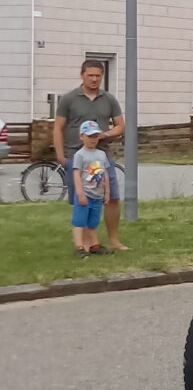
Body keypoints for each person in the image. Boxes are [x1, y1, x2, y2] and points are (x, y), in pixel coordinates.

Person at [53, 59, 128, 252]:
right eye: (90, 75)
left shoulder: (109, 99)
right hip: (76, 156)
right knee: (83, 199)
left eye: (98, 76)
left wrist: (105, 134)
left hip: (102, 157)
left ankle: (113, 239)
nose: (94, 79)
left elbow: (120, 126)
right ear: (82, 75)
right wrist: (61, 155)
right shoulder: (69, 99)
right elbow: (58, 127)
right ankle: (86, 243)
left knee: (112, 198)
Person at [69, 118, 110, 257]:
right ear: (82, 137)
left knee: (93, 222)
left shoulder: (101, 154)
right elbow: (76, 174)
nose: (93, 139)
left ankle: (94, 245)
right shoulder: (80, 155)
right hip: (85, 194)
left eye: (95, 136)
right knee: (79, 221)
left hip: (97, 195)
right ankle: (79, 247)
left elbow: (104, 174)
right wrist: (80, 193)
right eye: (89, 136)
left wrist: (107, 193)